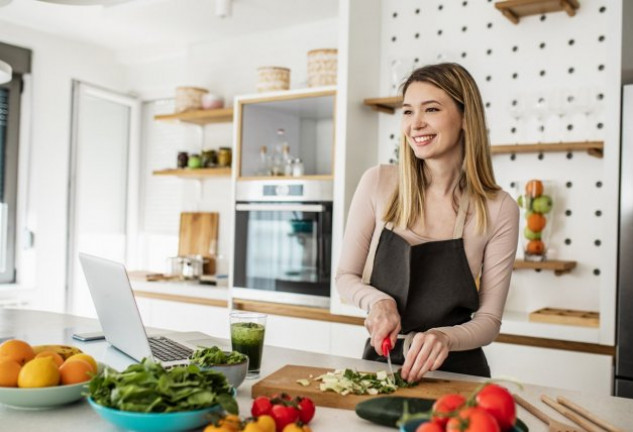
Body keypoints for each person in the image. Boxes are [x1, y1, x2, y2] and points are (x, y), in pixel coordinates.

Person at [335, 63, 519, 381]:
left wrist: (445, 337)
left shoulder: (499, 208)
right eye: (407, 112)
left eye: (431, 109)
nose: (415, 124)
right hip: (381, 367)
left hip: (460, 375)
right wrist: (378, 301)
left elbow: (489, 320)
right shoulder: (378, 183)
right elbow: (345, 277)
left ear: (465, 117)